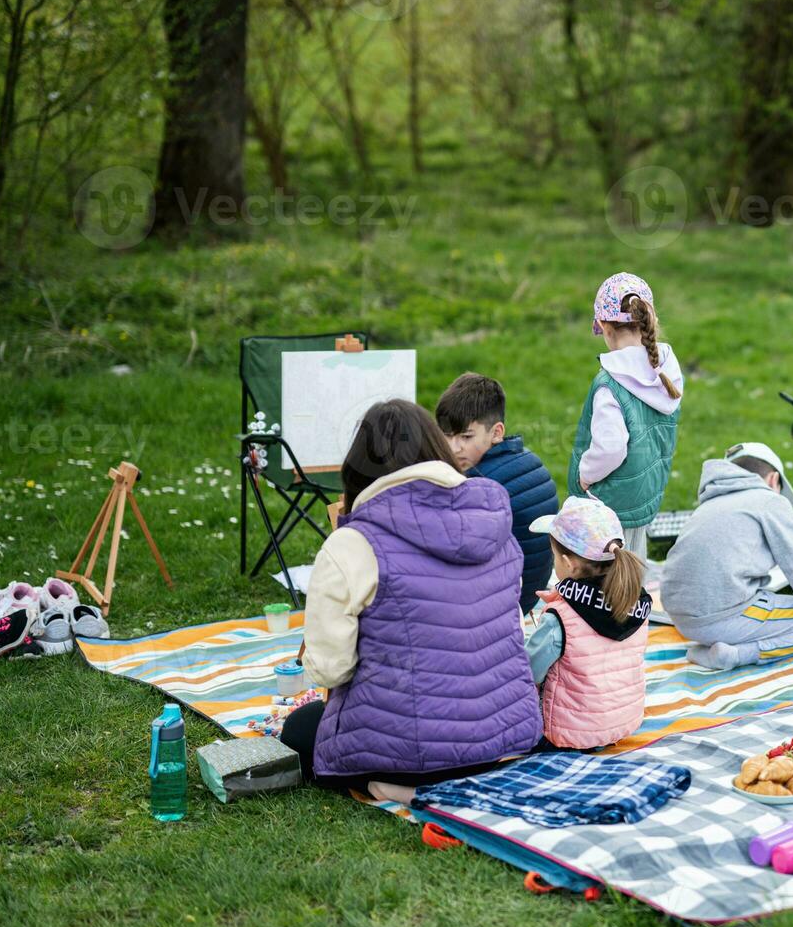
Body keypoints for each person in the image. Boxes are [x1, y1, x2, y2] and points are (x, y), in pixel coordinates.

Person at [281, 399, 542, 801]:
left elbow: (330, 669)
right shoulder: (493, 520)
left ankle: (392, 787)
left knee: (299, 729)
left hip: (408, 754)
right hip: (504, 738)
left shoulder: (352, 543)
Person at [661, 442, 793, 673]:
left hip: (680, 619)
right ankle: (734, 655)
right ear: (772, 480)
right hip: (724, 616)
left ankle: (717, 646)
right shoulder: (770, 501)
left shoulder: (710, 503)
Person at [567, 272, 683, 558]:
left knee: (606, 581)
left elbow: (611, 448)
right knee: (634, 570)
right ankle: (634, 603)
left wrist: (585, 474)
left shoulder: (609, 384)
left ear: (605, 327)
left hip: (609, 504)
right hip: (644, 496)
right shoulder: (666, 373)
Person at [522, 497, 652, 750]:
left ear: (568, 563)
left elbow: (528, 671)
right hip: (622, 722)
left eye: (554, 557)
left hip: (564, 734)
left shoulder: (561, 615)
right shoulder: (637, 600)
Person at [436, 372, 558, 613]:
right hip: (531, 594)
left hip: (498, 606)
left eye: (466, 436)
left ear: (497, 432)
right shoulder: (531, 461)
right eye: (447, 436)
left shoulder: (476, 485)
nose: (454, 447)